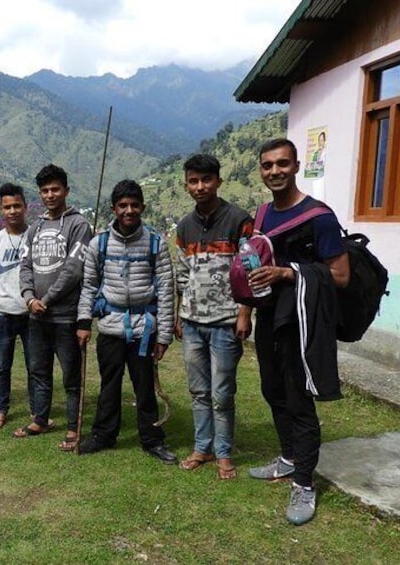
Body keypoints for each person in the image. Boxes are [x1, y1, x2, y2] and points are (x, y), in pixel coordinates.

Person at [247, 138, 349, 526]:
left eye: (282, 164)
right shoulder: (261, 215)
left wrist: (287, 272)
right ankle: (288, 458)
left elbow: (340, 275)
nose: (275, 171)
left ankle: (304, 482)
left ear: (296, 166)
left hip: (302, 324)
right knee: (272, 390)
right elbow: (256, 265)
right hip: (269, 318)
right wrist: (246, 309)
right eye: (268, 165)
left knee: (298, 398)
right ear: (260, 169)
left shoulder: (319, 217)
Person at [75, 179, 177, 463]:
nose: (129, 210)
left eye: (134, 205)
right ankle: (103, 435)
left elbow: (166, 291)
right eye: (123, 205)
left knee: (144, 386)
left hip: (144, 328)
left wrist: (164, 336)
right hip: (110, 325)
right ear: (114, 208)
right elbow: (88, 286)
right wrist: (83, 322)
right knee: (110, 383)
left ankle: (152, 438)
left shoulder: (156, 243)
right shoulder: (100, 244)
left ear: (142, 207)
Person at [174, 154, 254, 479]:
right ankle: (202, 447)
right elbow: (182, 274)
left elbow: (251, 270)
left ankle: (223, 453)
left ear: (219, 181)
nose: (200, 187)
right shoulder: (184, 226)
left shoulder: (239, 220)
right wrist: (180, 314)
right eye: (193, 181)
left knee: (222, 393)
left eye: (206, 180)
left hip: (225, 323)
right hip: (192, 323)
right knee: (198, 390)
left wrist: (244, 314)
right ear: (186, 184)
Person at [15, 164, 91, 451]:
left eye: (55, 189)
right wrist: (29, 297)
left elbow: (73, 270)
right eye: (45, 190)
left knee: (71, 374)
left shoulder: (78, 225)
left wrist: (46, 301)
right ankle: (41, 418)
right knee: (39, 370)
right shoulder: (34, 227)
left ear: (66, 191)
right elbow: (25, 265)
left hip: (65, 316)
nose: (50, 194)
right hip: (36, 315)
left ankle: (73, 426)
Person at [0, 183, 34, 429]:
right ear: (1, 210)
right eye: (7, 207)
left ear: (25, 206)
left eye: (17, 206)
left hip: (31, 313)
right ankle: (1, 410)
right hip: (3, 313)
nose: (12, 211)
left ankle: (38, 410)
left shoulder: (35, 236)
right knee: (2, 366)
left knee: (35, 365)